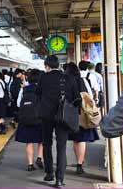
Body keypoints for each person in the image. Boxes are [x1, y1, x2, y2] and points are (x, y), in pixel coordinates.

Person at [36, 55, 81, 187]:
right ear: (58, 65)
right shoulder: (69, 78)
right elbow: (77, 98)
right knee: (61, 147)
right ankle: (59, 179)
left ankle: (49, 173)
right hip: (63, 116)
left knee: (47, 144)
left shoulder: (43, 77)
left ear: (48, 66)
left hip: (47, 116)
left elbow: (38, 92)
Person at [66, 62, 99, 174]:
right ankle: (80, 164)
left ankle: (79, 161)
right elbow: (89, 96)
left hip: (70, 114)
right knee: (82, 139)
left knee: (75, 139)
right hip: (82, 113)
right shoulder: (82, 80)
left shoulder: (66, 81)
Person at [15, 69, 44, 171]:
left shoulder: (24, 89)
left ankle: (30, 164)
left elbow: (18, 104)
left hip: (26, 118)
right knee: (42, 140)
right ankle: (39, 158)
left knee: (29, 141)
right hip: (40, 119)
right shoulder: (42, 89)